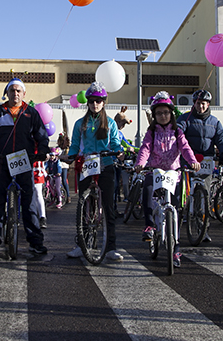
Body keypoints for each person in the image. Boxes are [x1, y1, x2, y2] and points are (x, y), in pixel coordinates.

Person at [0, 78, 50, 256]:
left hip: (23, 163)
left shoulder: (31, 113)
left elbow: (42, 136)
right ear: (7, 93)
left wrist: (42, 151)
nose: (15, 94)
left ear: (24, 94)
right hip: (1, 162)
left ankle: (35, 241)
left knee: (29, 203)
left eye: (19, 91)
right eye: (12, 90)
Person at [134, 92, 200, 267]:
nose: (163, 116)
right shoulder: (151, 132)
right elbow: (145, 149)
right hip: (154, 171)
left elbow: (185, 148)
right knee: (147, 191)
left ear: (171, 114)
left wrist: (193, 161)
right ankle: (149, 225)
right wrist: (140, 163)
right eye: (159, 113)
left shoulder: (178, 131)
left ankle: (176, 248)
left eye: (166, 112)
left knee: (177, 209)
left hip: (174, 174)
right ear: (154, 116)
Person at [66, 82, 125, 261]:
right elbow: (75, 143)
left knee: (108, 207)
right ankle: (81, 244)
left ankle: (110, 247)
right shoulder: (79, 123)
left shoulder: (111, 123)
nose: (95, 104)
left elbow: (114, 141)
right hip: (86, 164)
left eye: (98, 101)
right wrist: (71, 155)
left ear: (103, 102)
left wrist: (119, 151)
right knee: (83, 207)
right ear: (88, 103)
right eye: (92, 101)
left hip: (106, 164)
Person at [176, 89, 223, 242]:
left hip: (206, 162)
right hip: (188, 161)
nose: (201, 107)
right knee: (182, 196)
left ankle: (203, 229)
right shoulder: (185, 118)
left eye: (204, 104)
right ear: (194, 103)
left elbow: (222, 139)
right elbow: (178, 133)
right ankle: (176, 228)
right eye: (198, 103)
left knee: (204, 199)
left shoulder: (215, 122)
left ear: (208, 105)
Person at [113, 106, 134, 209]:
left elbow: (126, 144)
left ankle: (114, 208)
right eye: (123, 124)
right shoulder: (111, 131)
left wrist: (140, 149)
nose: (123, 126)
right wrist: (126, 150)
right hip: (109, 161)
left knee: (116, 186)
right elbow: (114, 145)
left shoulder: (120, 133)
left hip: (118, 162)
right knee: (113, 186)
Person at [33, 158, 47, 228]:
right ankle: (33, 216)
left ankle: (42, 217)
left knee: (38, 194)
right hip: (27, 170)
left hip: (37, 172)